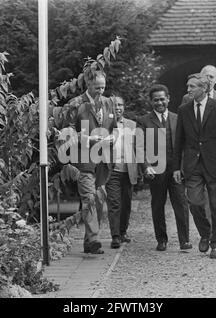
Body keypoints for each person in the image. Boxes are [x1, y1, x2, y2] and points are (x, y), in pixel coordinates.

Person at [174, 73, 216, 259]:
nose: (188, 90)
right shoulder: (184, 109)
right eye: (188, 86)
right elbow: (179, 141)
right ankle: (206, 233)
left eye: (192, 87)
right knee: (194, 202)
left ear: (203, 88)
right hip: (193, 165)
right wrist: (176, 167)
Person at [137, 84, 192, 252]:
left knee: (181, 204)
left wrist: (182, 168)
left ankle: (185, 240)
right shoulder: (144, 121)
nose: (159, 102)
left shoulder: (178, 118)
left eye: (162, 99)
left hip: (176, 171)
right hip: (156, 171)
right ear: (150, 102)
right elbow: (140, 147)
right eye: (156, 100)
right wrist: (146, 167)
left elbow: (186, 145)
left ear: (168, 98)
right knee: (158, 205)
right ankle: (161, 240)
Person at [68, 70, 117, 254]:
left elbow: (115, 128)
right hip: (83, 161)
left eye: (103, 87)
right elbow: (69, 131)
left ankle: (89, 241)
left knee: (97, 201)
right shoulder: (76, 104)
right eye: (97, 88)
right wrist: (88, 140)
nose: (100, 91)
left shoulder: (108, 103)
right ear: (87, 84)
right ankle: (95, 238)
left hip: (104, 161)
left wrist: (113, 138)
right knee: (88, 198)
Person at [105, 95, 139, 248]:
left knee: (126, 204)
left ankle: (123, 231)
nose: (117, 108)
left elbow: (138, 148)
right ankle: (115, 236)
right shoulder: (105, 125)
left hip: (129, 171)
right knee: (114, 203)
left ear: (124, 107)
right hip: (112, 171)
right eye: (114, 105)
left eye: (120, 105)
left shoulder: (132, 125)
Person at [181, 65, 216, 130]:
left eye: (211, 77)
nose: (208, 80)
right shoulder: (188, 98)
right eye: (205, 77)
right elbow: (183, 123)